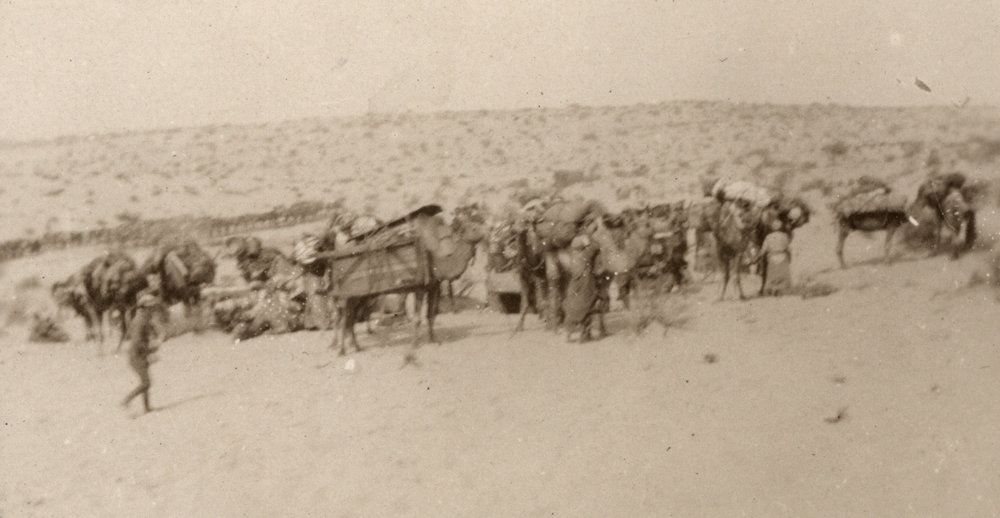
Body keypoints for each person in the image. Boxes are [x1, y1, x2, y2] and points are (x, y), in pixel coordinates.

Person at [121, 293, 167, 414]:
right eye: (151, 308)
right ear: (144, 308)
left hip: (138, 354)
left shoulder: (143, 319)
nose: (153, 310)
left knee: (145, 381)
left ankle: (147, 407)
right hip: (137, 355)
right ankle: (126, 401)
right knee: (146, 383)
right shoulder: (140, 321)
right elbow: (137, 342)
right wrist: (151, 350)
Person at [752, 220, 792, 296]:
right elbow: (788, 249)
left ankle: (774, 291)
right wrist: (790, 258)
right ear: (780, 227)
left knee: (773, 277)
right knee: (782, 276)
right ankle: (780, 291)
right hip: (783, 257)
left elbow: (763, 251)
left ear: (772, 228)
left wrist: (756, 258)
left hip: (772, 258)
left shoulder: (768, 237)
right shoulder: (784, 236)